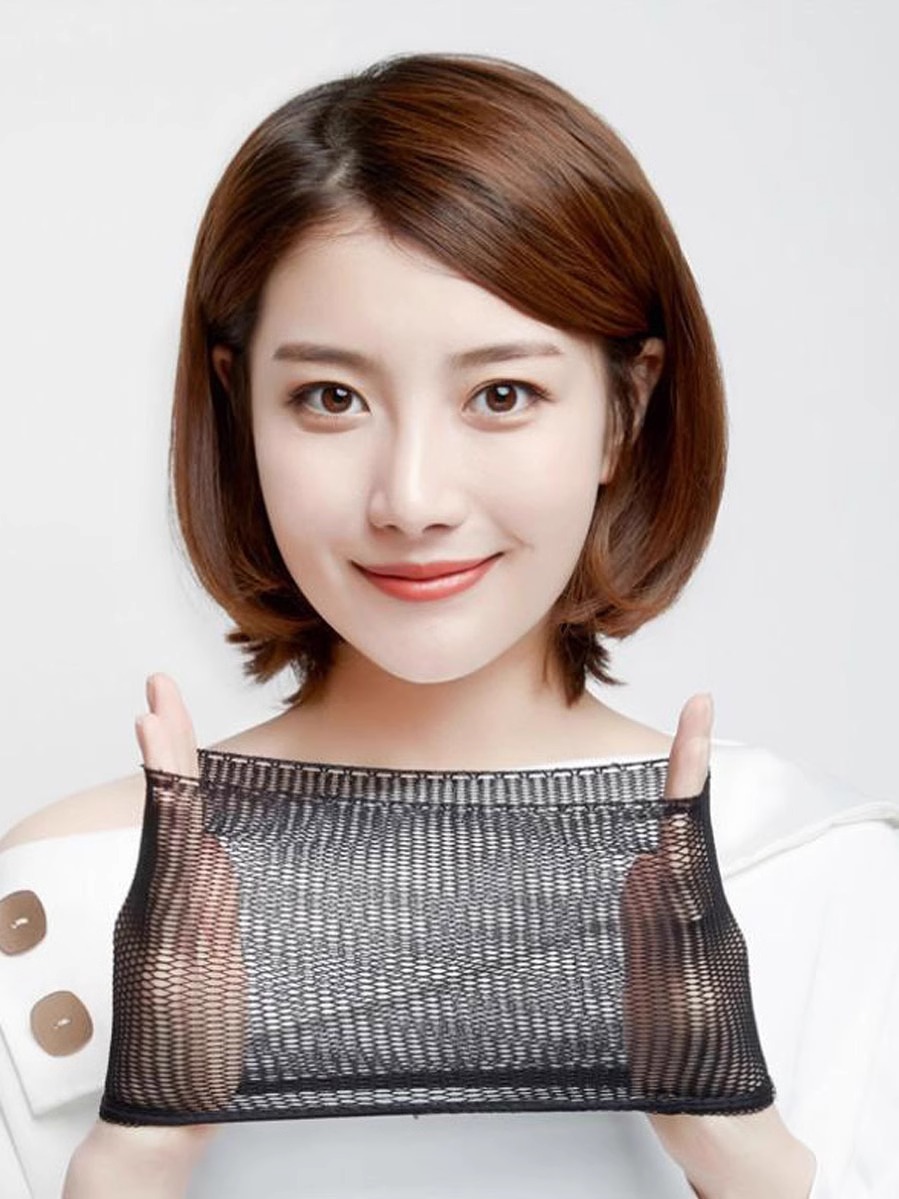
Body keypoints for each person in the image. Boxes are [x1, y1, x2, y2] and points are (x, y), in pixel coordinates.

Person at [0, 50, 896, 1199]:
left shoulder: (812, 872)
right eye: (330, 397)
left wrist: (746, 1159)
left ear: (623, 411)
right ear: (239, 407)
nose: (411, 497)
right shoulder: (68, 893)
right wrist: (131, 1161)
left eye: (500, 394)